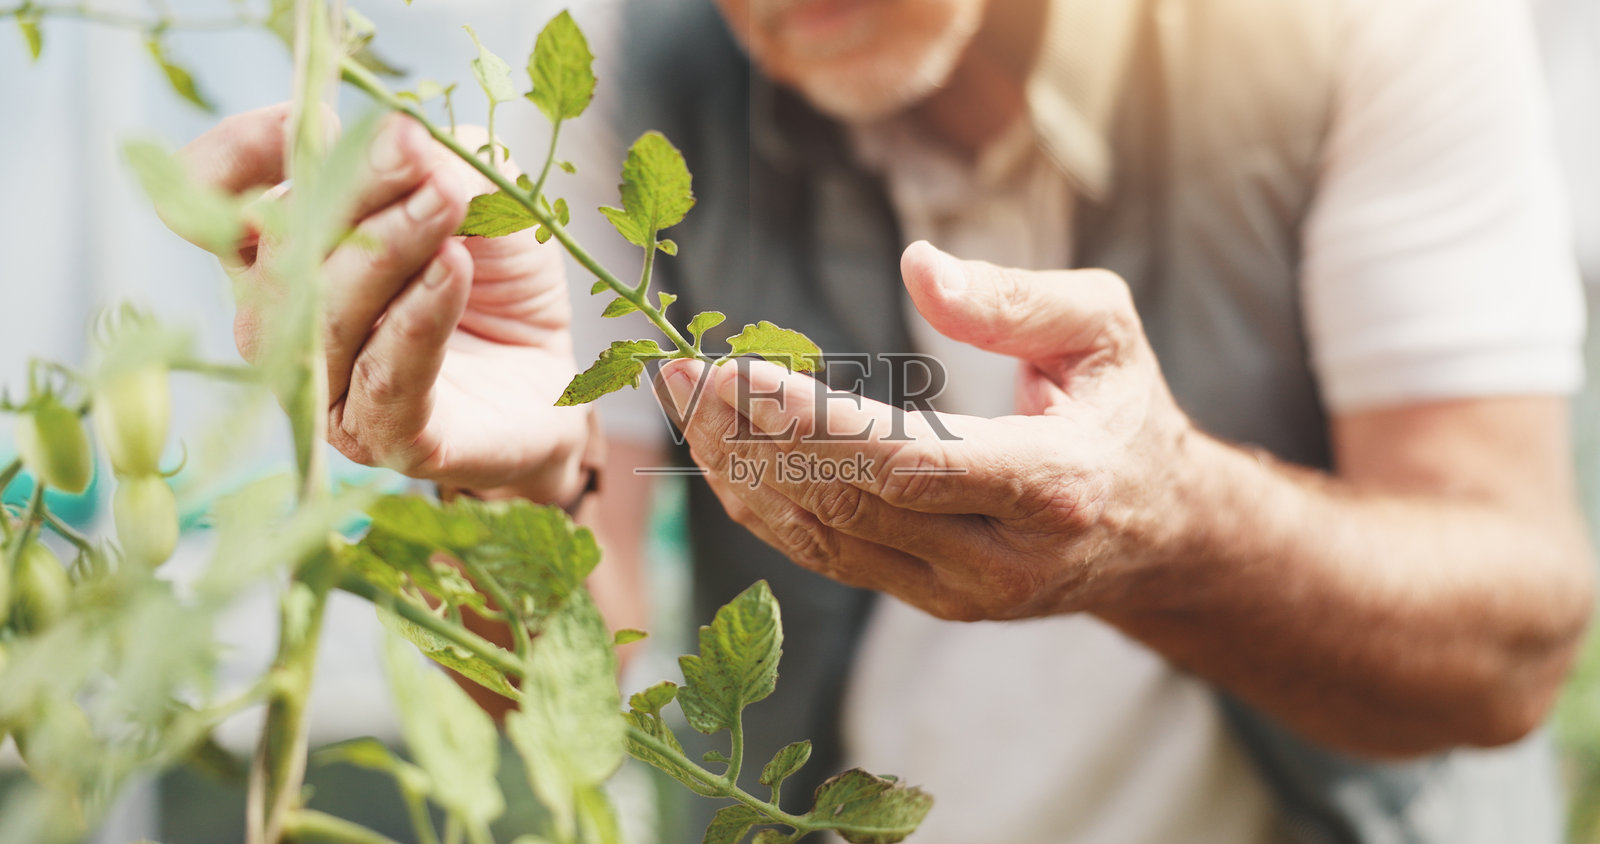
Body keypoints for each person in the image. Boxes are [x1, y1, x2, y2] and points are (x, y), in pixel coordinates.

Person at [177, 0, 1595, 840]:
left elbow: (1514, 637)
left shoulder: (1359, 34)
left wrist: (1172, 534)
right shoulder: (646, 73)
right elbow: (570, 692)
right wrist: (501, 485)